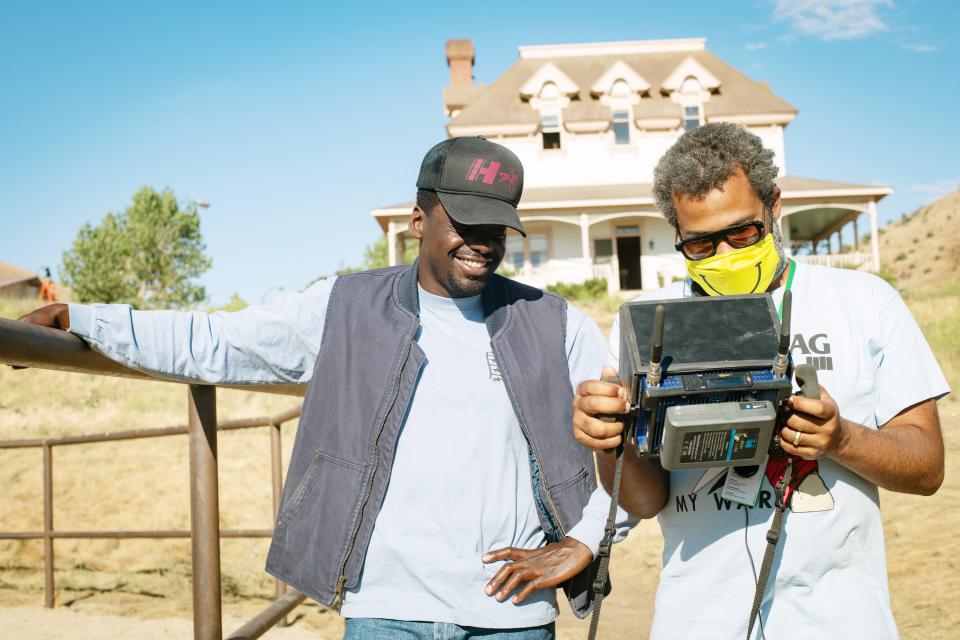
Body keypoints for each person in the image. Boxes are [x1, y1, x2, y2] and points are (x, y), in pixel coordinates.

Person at [20, 136, 633, 640]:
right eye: (467, 222)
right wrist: (85, 320)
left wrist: (582, 541)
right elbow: (215, 342)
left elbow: (635, 448)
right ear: (419, 220)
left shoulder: (556, 324)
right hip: (387, 611)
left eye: (497, 228)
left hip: (512, 618)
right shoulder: (345, 306)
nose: (483, 243)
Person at [572, 123, 948, 639]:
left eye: (742, 233)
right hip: (698, 620)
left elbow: (926, 469)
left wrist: (841, 439)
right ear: (676, 233)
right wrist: (610, 442)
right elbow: (643, 502)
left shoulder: (865, 302)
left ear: (774, 205)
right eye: (701, 245)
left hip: (840, 620)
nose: (725, 256)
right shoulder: (645, 322)